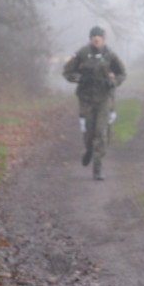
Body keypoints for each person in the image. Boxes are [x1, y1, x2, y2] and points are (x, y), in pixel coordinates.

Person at [62, 26, 126, 180]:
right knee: (89, 133)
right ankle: (89, 150)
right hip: (86, 99)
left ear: (104, 39)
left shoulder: (109, 54)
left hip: (104, 99)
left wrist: (113, 83)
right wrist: (80, 78)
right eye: (94, 36)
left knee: (101, 133)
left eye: (99, 36)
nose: (96, 38)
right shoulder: (83, 53)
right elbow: (67, 72)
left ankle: (97, 169)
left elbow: (122, 73)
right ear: (90, 38)